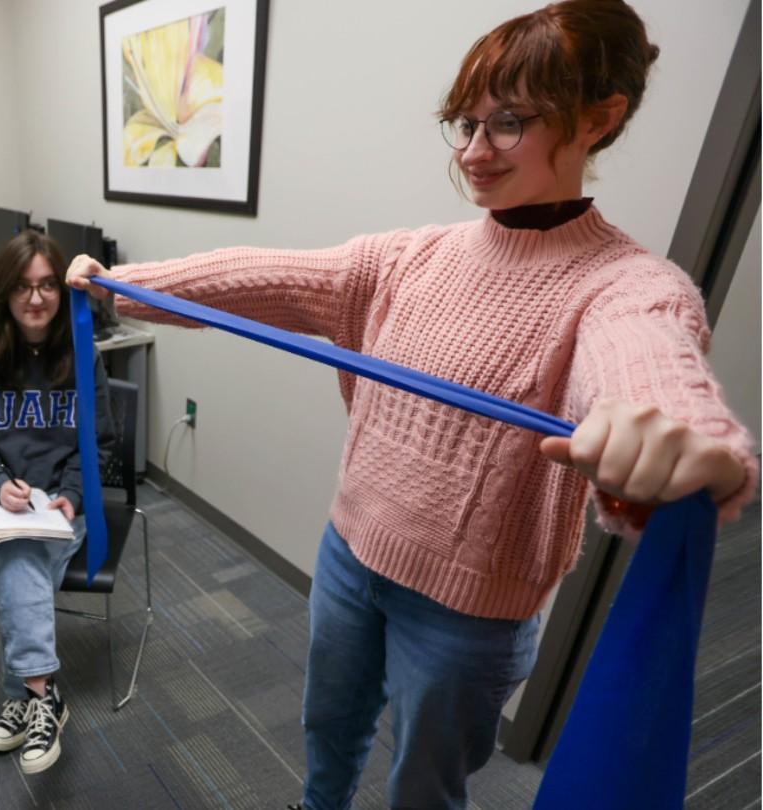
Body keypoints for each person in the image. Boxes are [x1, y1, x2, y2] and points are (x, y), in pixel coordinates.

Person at [66, 2, 756, 808]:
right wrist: (124, 286)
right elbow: (265, 277)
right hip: (350, 552)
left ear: (598, 120)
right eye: (462, 123)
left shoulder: (624, 285)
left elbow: (645, 360)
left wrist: (668, 432)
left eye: (508, 123)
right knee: (328, 730)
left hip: (469, 613)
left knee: (424, 785)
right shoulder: (411, 257)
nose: (473, 151)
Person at [0, 229, 117, 775]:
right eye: (23, 286)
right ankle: (44, 698)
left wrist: (69, 495)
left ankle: (25, 695)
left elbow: (101, 444)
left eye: (47, 285)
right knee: (18, 549)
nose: (37, 298)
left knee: (19, 557)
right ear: (5, 291)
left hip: (66, 509)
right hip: (4, 508)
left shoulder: (80, 351)